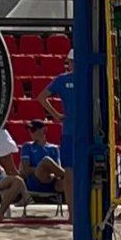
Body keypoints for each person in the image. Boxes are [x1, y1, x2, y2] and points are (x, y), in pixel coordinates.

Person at [36, 49, 74, 217]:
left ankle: (73, 215)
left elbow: (41, 97)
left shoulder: (63, 80)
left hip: (70, 132)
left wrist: (56, 115)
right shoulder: (92, 78)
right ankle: (82, 213)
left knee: (70, 174)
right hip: (87, 131)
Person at [19, 119, 66, 204]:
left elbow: (57, 169)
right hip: (35, 182)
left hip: (52, 183)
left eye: (33, 130)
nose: (30, 132)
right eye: (30, 130)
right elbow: (26, 170)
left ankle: (68, 178)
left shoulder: (54, 148)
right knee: (46, 160)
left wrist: (49, 173)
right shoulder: (27, 147)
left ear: (43, 130)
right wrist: (45, 169)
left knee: (65, 173)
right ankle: (68, 177)